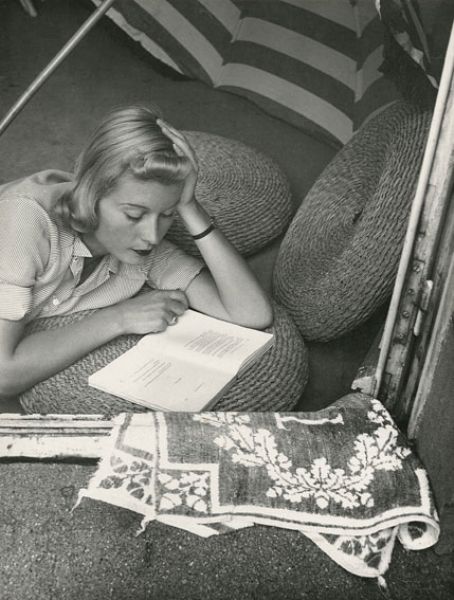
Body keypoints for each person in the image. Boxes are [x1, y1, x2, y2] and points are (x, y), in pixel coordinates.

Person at [0, 105, 273, 399]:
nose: (152, 236)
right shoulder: (26, 221)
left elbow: (251, 313)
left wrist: (189, 207)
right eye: (134, 215)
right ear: (91, 196)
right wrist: (119, 318)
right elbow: (3, 376)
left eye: (166, 214)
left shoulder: (143, 250)